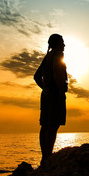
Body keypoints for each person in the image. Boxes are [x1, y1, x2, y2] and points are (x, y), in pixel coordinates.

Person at [34, 34, 68, 165]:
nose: (64, 45)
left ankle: (45, 156)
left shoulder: (47, 56)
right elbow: (56, 72)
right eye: (62, 42)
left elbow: (36, 76)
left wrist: (45, 88)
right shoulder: (58, 54)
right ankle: (48, 157)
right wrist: (59, 91)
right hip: (55, 94)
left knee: (45, 125)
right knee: (53, 125)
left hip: (46, 94)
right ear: (58, 44)